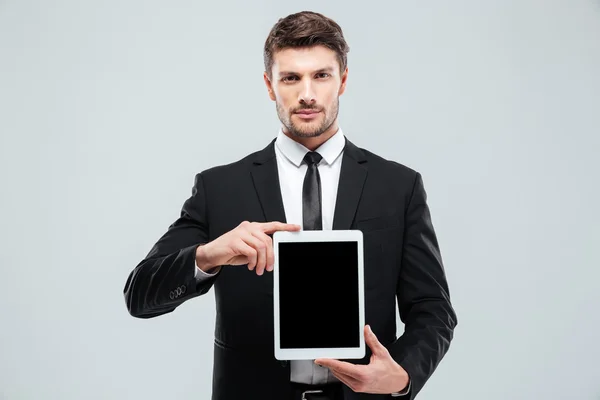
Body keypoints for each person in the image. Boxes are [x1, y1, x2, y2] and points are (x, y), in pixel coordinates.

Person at [123, 10, 457, 400]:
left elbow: (433, 309)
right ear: (269, 85)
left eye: (321, 75)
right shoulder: (220, 188)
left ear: (343, 80)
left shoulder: (398, 186)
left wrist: (402, 376)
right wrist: (209, 255)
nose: (307, 94)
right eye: (290, 78)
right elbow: (140, 295)